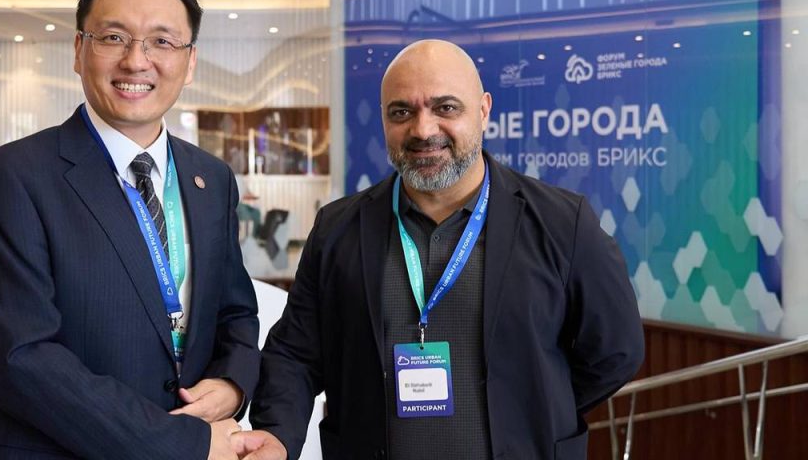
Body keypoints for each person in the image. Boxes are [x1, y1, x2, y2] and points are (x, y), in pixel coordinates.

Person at [236, 40, 645, 460]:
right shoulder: (338, 229)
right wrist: (278, 436)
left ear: (484, 110)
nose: (423, 129)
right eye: (402, 112)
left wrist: (534, 408)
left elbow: (616, 350)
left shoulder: (563, 223)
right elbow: (295, 355)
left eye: (446, 107)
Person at [0, 0, 259, 460]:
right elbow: (23, 358)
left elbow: (236, 312)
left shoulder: (212, 178)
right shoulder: (10, 178)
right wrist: (180, 443)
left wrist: (232, 383)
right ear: (79, 50)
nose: (137, 61)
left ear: (190, 62)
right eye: (114, 37)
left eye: (162, 41)